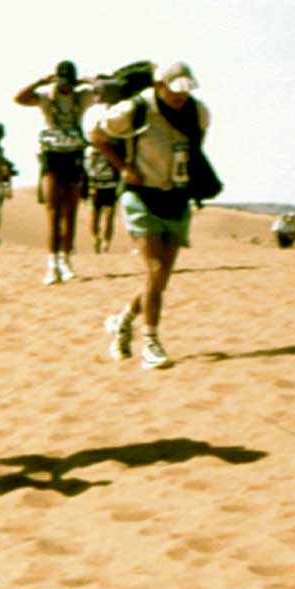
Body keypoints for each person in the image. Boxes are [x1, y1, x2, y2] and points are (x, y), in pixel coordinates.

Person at [91, 60, 213, 371]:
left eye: (184, 91)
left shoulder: (197, 112)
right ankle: (151, 342)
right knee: (155, 269)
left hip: (176, 197)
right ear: (159, 86)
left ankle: (123, 320)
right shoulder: (136, 109)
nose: (179, 97)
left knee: (159, 279)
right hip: (141, 196)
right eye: (174, 91)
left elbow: (195, 148)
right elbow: (96, 135)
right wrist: (123, 168)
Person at [15, 61, 98, 283]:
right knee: (53, 212)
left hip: (73, 154)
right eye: (62, 81)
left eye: (69, 82)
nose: (66, 86)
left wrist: (88, 81)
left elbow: (104, 92)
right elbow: (19, 98)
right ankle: (52, 263)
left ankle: (66, 259)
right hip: (52, 155)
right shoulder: (45, 98)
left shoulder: (80, 97)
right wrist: (40, 81)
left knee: (70, 211)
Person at [85, 141, 122, 254]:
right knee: (94, 215)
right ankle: (95, 238)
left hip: (111, 185)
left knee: (109, 215)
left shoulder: (114, 149)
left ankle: (106, 243)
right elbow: (88, 169)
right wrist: (91, 185)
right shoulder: (92, 151)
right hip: (96, 186)